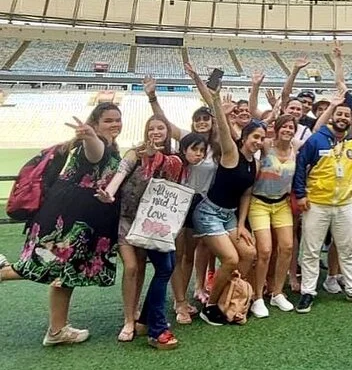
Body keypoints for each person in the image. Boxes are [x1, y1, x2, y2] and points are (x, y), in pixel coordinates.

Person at [0, 103, 123, 346]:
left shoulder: (101, 144)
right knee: (50, 266)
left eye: (118, 119)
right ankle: (54, 328)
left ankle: (57, 330)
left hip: (67, 217)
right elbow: (95, 153)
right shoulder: (97, 143)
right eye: (108, 120)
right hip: (69, 221)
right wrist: (90, 136)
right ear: (96, 123)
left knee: (62, 272)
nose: (115, 124)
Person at [292, 102, 352, 313]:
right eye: (340, 114)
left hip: (344, 204)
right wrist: (300, 195)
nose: (343, 117)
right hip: (316, 203)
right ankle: (308, 292)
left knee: (346, 248)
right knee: (311, 250)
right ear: (333, 116)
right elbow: (300, 166)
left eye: (346, 114)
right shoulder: (316, 139)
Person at [97, 115, 182, 349]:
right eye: (151, 128)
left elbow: (172, 185)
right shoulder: (135, 153)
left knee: (152, 267)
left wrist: (157, 157)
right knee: (132, 267)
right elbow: (120, 175)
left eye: (161, 127)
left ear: (167, 131)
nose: (156, 131)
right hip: (127, 219)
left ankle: (142, 317)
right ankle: (129, 320)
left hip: (151, 224)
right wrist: (110, 193)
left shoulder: (172, 160)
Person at [144, 70, 220, 304]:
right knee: (182, 254)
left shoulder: (218, 146)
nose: (202, 123)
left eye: (205, 119)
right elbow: (165, 123)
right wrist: (153, 98)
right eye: (198, 120)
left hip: (205, 204)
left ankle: (198, 287)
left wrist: (207, 90)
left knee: (202, 249)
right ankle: (179, 300)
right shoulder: (187, 138)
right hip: (182, 201)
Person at [193, 88, 261, 326]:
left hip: (230, 216)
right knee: (231, 258)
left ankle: (225, 296)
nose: (258, 142)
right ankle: (210, 307)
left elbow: (246, 194)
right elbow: (222, 128)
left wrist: (242, 225)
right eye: (255, 138)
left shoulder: (256, 163)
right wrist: (215, 100)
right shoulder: (232, 152)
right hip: (208, 212)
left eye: (261, 139)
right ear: (244, 137)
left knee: (249, 254)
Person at [248, 114, 300, 317]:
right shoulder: (266, 145)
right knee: (265, 250)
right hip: (259, 203)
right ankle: (258, 296)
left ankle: (277, 293)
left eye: (291, 127)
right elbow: (248, 137)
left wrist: (332, 106)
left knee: (287, 246)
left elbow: (318, 131)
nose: (288, 130)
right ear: (277, 129)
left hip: (282, 204)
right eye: (284, 126)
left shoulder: (295, 147)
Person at [170, 133, 209, 324]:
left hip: (195, 204)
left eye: (202, 150)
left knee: (188, 255)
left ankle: (181, 299)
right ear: (184, 149)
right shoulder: (174, 163)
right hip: (175, 205)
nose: (199, 154)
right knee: (176, 255)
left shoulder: (207, 164)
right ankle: (179, 301)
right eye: (195, 149)